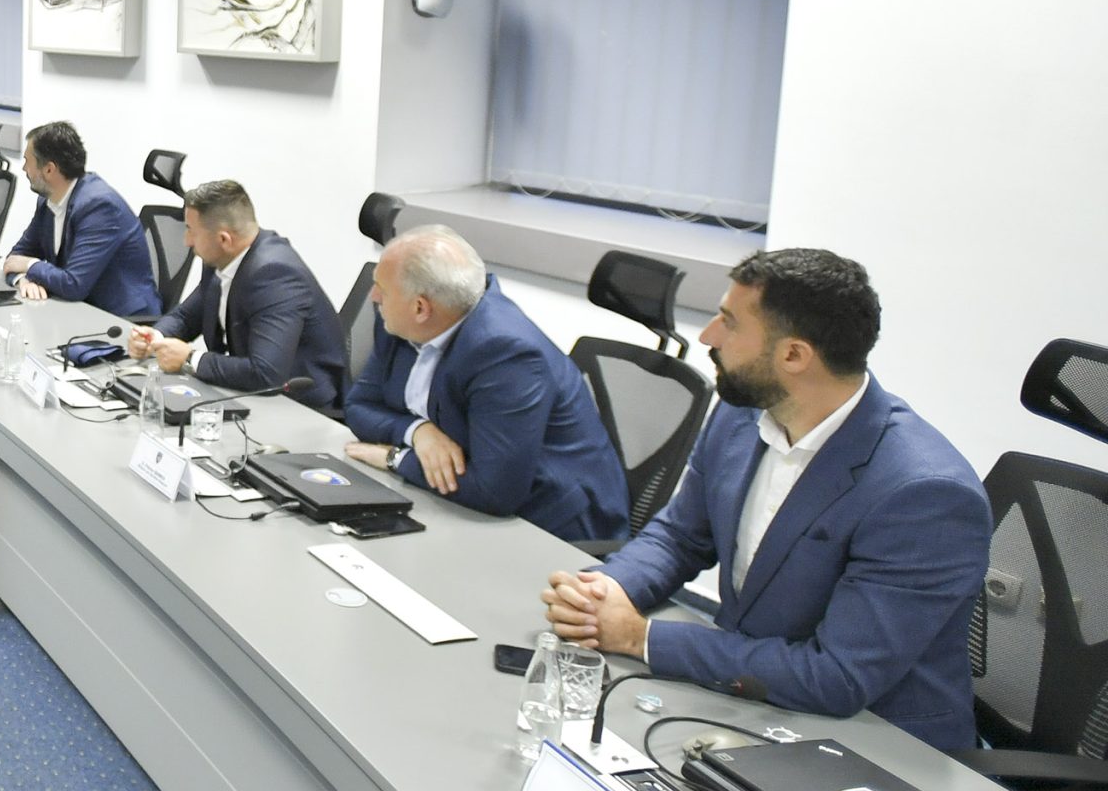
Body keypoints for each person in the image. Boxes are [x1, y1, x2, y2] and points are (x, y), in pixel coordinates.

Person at [541, 249, 990, 748]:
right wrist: (604, 591)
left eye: (729, 323)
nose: (708, 336)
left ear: (794, 356)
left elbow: (837, 676)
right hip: (754, 697)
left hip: (878, 744)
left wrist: (639, 637)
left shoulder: (924, 494)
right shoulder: (743, 413)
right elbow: (681, 536)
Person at [342, 225, 626, 542]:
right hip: (459, 501)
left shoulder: (505, 355)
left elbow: (495, 492)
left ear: (420, 308)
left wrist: (395, 458)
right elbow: (358, 406)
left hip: (549, 526)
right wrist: (418, 432)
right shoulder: (402, 324)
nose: (374, 296)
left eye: (382, 288)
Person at [127, 181, 345, 410]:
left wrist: (190, 358)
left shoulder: (275, 275)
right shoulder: (221, 258)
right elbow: (186, 317)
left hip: (299, 408)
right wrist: (155, 337)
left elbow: (266, 373)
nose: (186, 241)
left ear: (224, 240)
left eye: (191, 231)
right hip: (245, 392)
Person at [0, 121, 159, 318]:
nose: (24, 168)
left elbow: (73, 284)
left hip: (123, 321)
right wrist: (23, 279)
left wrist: (30, 265)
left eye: (27, 161)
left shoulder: (100, 206)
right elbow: (15, 257)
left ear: (49, 169)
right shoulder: (47, 201)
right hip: (79, 311)